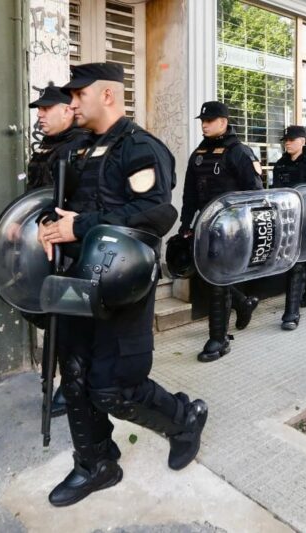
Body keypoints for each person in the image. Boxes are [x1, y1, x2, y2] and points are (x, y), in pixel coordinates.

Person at [37, 63, 207, 507]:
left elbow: (156, 215)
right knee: (74, 376)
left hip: (121, 283)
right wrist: (47, 226)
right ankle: (96, 464)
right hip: (77, 279)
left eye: (79, 94)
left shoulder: (140, 149)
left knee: (115, 386)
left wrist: (84, 226)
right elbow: (61, 208)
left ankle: (185, 420)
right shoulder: (76, 152)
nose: (71, 102)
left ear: (107, 95)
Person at [25, 82, 92, 418]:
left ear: (68, 110)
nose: (40, 115)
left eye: (46, 109)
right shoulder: (47, 147)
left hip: (69, 247)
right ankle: (62, 379)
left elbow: (77, 203)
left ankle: (71, 384)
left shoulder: (81, 148)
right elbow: (35, 195)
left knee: (67, 319)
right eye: (39, 109)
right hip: (44, 245)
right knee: (47, 313)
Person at [177, 100, 262, 362]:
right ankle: (243, 303)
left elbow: (256, 194)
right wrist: (185, 225)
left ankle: (219, 339)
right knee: (207, 276)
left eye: (210, 120)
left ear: (223, 122)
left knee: (218, 280)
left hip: (233, 229)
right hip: (204, 226)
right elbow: (190, 193)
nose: (204, 124)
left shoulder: (239, 153)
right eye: (203, 120)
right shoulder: (199, 153)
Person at [271, 125, 306, 330]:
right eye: (286, 139)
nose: (287, 142)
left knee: (296, 260)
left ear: (302, 142)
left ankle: (291, 314)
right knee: (301, 257)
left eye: (292, 139)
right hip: (288, 219)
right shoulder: (280, 164)